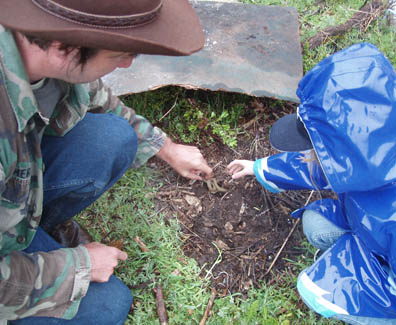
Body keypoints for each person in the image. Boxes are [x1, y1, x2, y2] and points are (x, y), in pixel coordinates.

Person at [0, 0, 213, 324]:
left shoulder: (44, 48)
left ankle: (35, 229)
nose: (127, 63)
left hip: (17, 184)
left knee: (114, 138)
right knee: (108, 305)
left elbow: (97, 96)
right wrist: (78, 266)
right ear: (62, 47)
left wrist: (166, 148)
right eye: (118, 54)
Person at [227, 43, 396, 324]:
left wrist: (353, 279)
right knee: (316, 223)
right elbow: (317, 166)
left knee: (317, 289)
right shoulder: (367, 147)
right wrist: (259, 168)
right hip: (368, 228)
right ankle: (364, 253)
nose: (311, 153)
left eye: (315, 145)